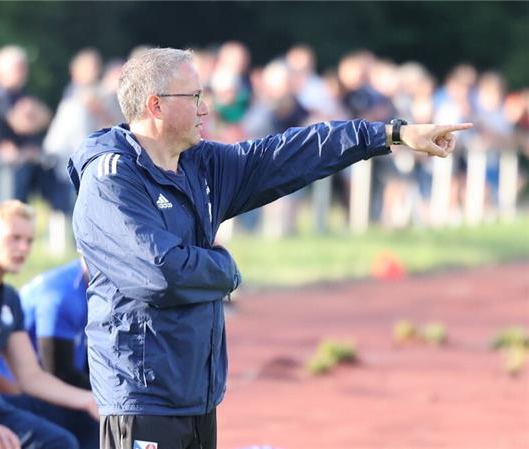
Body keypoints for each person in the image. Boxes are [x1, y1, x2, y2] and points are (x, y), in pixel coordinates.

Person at [67, 48, 472, 449]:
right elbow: (159, 274)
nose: (205, 109)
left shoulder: (200, 164)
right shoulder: (111, 179)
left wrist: (390, 135)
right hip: (141, 394)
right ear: (155, 105)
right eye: (193, 97)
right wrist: (226, 269)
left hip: (197, 392)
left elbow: (291, 153)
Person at [0, 200, 98, 449]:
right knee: (59, 442)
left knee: (86, 420)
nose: (23, 248)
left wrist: (88, 400)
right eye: (14, 238)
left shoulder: (10, 298)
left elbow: (30, 376)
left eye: (29, 240)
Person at [19, 259, 90, 389]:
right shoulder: (63, 295)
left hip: (44, 381)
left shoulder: (82, 279)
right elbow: (59, 374)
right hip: (21, 389)